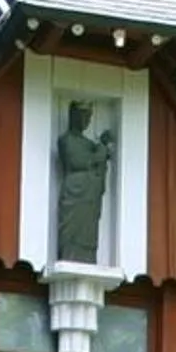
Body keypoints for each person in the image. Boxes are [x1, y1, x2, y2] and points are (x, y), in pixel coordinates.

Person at [56, 99, 114, 262]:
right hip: (73, 195)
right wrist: (101, 151)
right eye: (83, 116)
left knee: (87, 232)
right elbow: (78, 162)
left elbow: (98, 163)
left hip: (89, 199)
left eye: (88, 117)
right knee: (70, 232)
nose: (86, 121)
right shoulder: (66, 140)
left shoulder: (89, 144)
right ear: (74, 116)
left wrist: (102, 148)